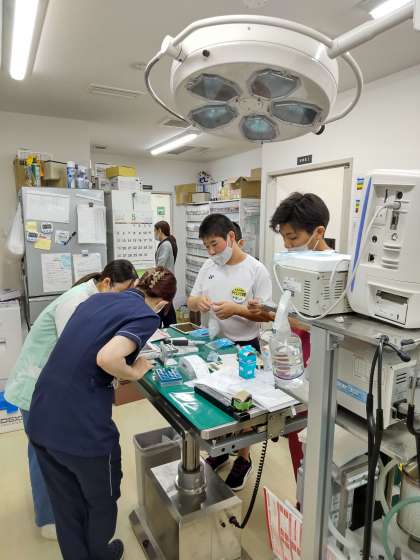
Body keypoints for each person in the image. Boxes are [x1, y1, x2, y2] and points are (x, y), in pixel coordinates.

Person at [27, 267, 176, 560]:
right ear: (162, 304)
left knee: (65, 503)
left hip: (42, 416)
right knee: (102, 499)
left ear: (136, 284)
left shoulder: (97, 299)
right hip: (82, 429)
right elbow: (107, 357)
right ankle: (99, 554)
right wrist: (134, 371)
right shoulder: (147, 316)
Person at [4, 259, 138, 540]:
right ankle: (48, 519)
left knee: (55, 451)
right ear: (106, 283)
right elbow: (78, 351)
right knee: (44, 454)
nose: (123, 301)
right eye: (122, 293)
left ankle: (65, 508)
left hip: (52, 387)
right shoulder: (75, 302)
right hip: (36, 387)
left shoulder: (92, 299)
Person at [187, 213, 273, 491]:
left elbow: (268, 315)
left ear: (231, 237)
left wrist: (238, 310)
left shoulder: (256, 270)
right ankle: (222, 450)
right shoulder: (208, 266)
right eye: (207, 247)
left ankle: (243, 459)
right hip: (214, 346)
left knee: (241, 408)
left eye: (215, 244)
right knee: (215, 401)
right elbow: (191, 298)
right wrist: (198, 302)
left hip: (245, 348)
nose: (212, 252)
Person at [252, 192, 332, 481]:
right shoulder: (297, 267)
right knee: (299, 450)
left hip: (323, 371)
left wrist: (295, 320)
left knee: (319, 461)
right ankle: (302, 503)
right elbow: (291, 312)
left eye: (293, 237)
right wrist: (269, 310)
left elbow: (333, 328)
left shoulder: (337, 272)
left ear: (318, 232)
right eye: (284, 237)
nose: (287, 245)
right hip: (295, 365)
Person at [154, 220, 177, 326]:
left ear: (159, 230)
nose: (154, 234)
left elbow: (160, 266)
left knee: (162, 308)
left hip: (164, 282)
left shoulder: (166, 245)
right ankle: (170, 327)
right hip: (166, 282)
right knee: (166, 308)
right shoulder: (167, 243)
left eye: (155, 231)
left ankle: (161, 328)